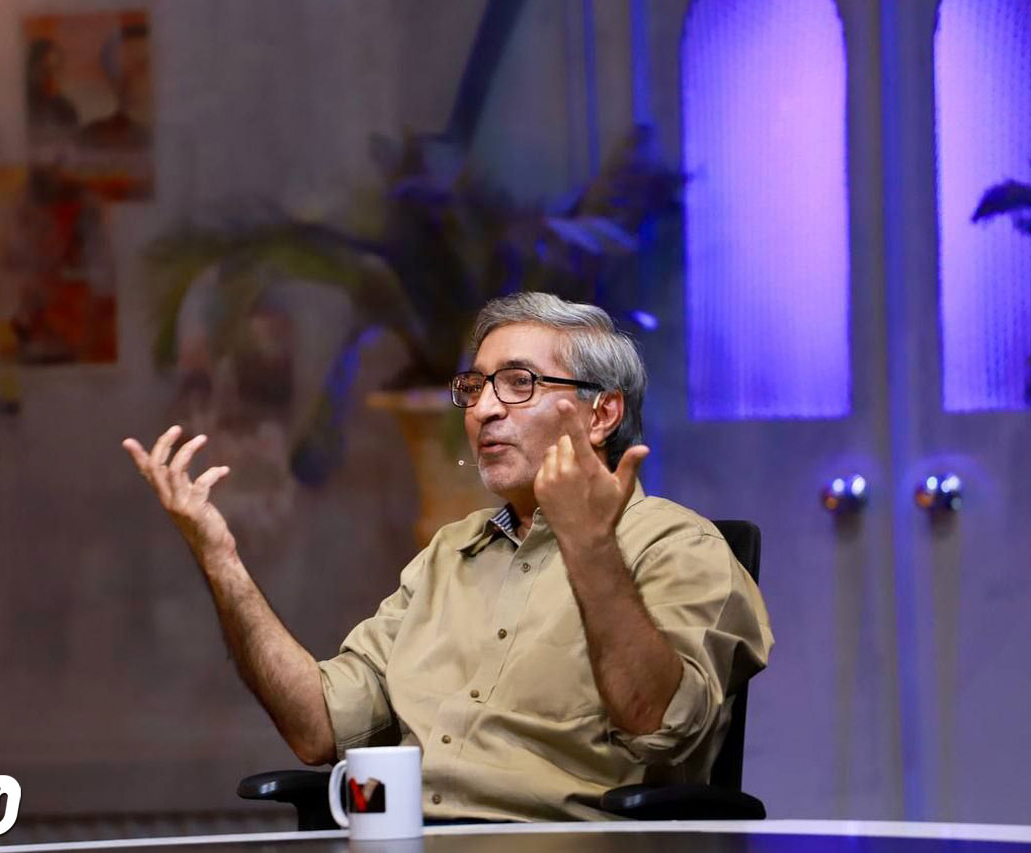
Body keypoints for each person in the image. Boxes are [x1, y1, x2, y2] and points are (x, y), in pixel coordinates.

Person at [122, 292, 773, 822]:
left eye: (517, 383)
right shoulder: (447, 554)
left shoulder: (678, 546)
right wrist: (221, 559)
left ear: (601, 413)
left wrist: (590, 545)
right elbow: (318, 726)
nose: (483, 409)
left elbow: (660, 724)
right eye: (476, 386)